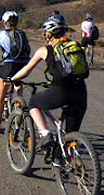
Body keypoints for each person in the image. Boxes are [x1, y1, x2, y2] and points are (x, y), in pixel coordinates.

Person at [9, 15, 87, 150]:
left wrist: (13, 79)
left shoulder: (44, 50)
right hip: (80, 92)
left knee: (33, 102)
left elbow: (27, 70)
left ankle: (45, 134)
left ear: (48, 35)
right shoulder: (76, 47)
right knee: (71, 135)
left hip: (61, 91)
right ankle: (71, 164)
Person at [0, 11, 30, 132]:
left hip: (9, 65)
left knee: (1, 97)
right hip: (23, 65)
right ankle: (19, 102)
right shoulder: (22, 34)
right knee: (17, 81)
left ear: (4, 22)